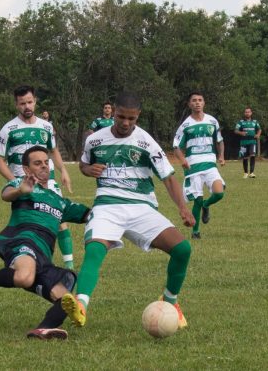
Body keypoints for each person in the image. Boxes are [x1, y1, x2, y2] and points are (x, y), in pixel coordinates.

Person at [61, 91, 195, 331]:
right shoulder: (95, 140)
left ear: (138, 116)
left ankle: (171, 302)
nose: (125, 123)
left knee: (183, 249)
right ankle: (80, 306)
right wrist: (87, 169)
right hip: (107, 206)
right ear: (113, 111)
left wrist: (183, 208)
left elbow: (168, 178)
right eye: (121, 117)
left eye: (131, 119)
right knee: (94, 248)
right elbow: (83, 163)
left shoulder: (146, 142)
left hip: (141, 207)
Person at [0, 146, 91, 340]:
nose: (44, 166)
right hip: (22, 240)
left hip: (43, 256)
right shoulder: (22, 186)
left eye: (46, 162)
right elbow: (6, 195)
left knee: (65, 299)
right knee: (24, 278)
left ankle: (43, 329)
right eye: (37, 163)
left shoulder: (61, 202)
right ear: (27, 170)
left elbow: (92, 214)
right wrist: (21, 190)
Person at [0, 85, 76, 270]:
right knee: (27, 222)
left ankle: (69, 265)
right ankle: (20, 257)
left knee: (60, 220)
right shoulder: (9, 129)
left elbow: (54, 150)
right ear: (16, 105)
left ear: (35, 102)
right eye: (22, 103)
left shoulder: (46, 126)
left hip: (49, 182)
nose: (27, 106)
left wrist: (64, 171)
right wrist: (15, 182)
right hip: (25, 186)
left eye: (30, 102)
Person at [173, 91, 225, 239]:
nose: (197, 102)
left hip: (210, 164)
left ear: (204, 103)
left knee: (219, 193)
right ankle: (195, 231)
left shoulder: (212, 121)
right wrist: (182, 159)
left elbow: (220, 140)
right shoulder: (186, 125)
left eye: (200, 100)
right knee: (197, 199)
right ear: (189, 104)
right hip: (193, 166)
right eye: (194, 100)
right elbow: (176, 146)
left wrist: (221, 156)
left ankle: (206, 205)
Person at [234, 107, 262, 178]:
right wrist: (241, 133)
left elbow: (259, 129)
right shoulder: (241, 122)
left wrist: (258, 134)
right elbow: (235, 130)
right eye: (246, 112)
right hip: (243, 142)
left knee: (252, 155)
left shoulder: (255, 122)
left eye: (248, 112)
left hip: (252, 141)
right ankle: (246, 173)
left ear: (251, 113)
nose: (247, 113)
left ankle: (252, 173)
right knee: (245, 157)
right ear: (244, 113)